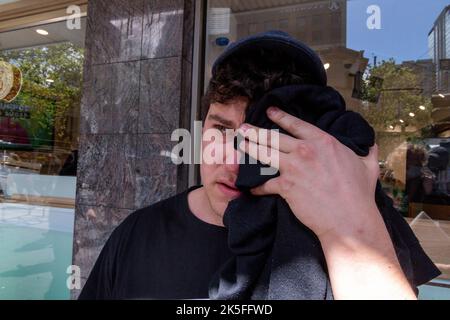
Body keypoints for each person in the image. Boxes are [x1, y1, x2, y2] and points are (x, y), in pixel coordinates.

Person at [78, 31, 439, 300]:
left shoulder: (333, 241)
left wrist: (352, 223)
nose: (235, 161)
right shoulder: (138, 233)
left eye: (265, 139)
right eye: (222, 129)